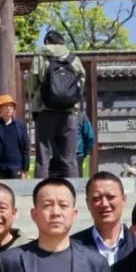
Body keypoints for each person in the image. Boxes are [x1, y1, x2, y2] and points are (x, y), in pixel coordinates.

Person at [26, 30, 86, 178]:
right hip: (68, 113)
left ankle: (41, 190)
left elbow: (31, 84)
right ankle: (72, 191)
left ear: (47, 41)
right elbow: (81, 84)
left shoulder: (40, 56)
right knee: (69, 159)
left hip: (45, 111)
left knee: (43, 159)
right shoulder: (74, 59)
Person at [76, 110, 96, 176]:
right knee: (76, 177)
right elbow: (90, 136)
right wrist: (86, 151)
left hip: (58, 156)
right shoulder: (81, 116)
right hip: (78, 154)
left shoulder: (54, 115)